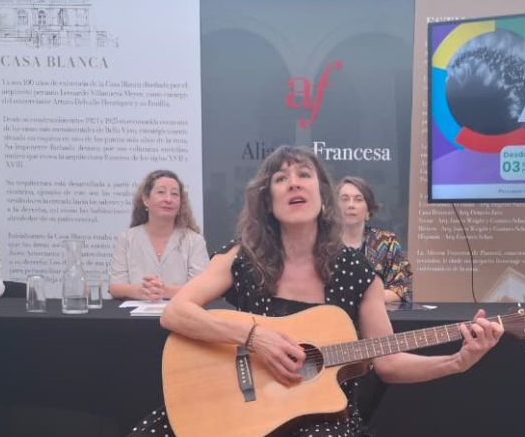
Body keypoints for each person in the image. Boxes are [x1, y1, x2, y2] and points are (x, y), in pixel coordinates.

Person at [128, 146, 501, 436]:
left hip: (322, 419)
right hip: (235, 407)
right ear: (268, 201)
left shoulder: (358, 273)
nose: (293, 183)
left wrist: (456, 362)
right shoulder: (242, 256)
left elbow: (388, 363)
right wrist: (256, 337)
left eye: (304, 175)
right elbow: (176, 312)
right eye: (280, 179)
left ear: (322, 195)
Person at [109, 170, 208, 301]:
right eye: (161, 192)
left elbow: (202, 288)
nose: (168, 199)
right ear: (145, 199)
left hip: (180, 316)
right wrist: (141, 291)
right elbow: (115, 287)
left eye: (174, 194)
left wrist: (164, 291)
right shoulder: (127, 238)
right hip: (134, 318)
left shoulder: (194, 241)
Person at [337, 176, 413, 304]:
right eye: (344, 199)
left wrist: (363, 298)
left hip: (376, 317)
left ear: (368, 210)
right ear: (334, 208)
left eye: (358, 199)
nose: (350, 205)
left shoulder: (386, 242)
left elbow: (403, 288)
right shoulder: (322, 242)